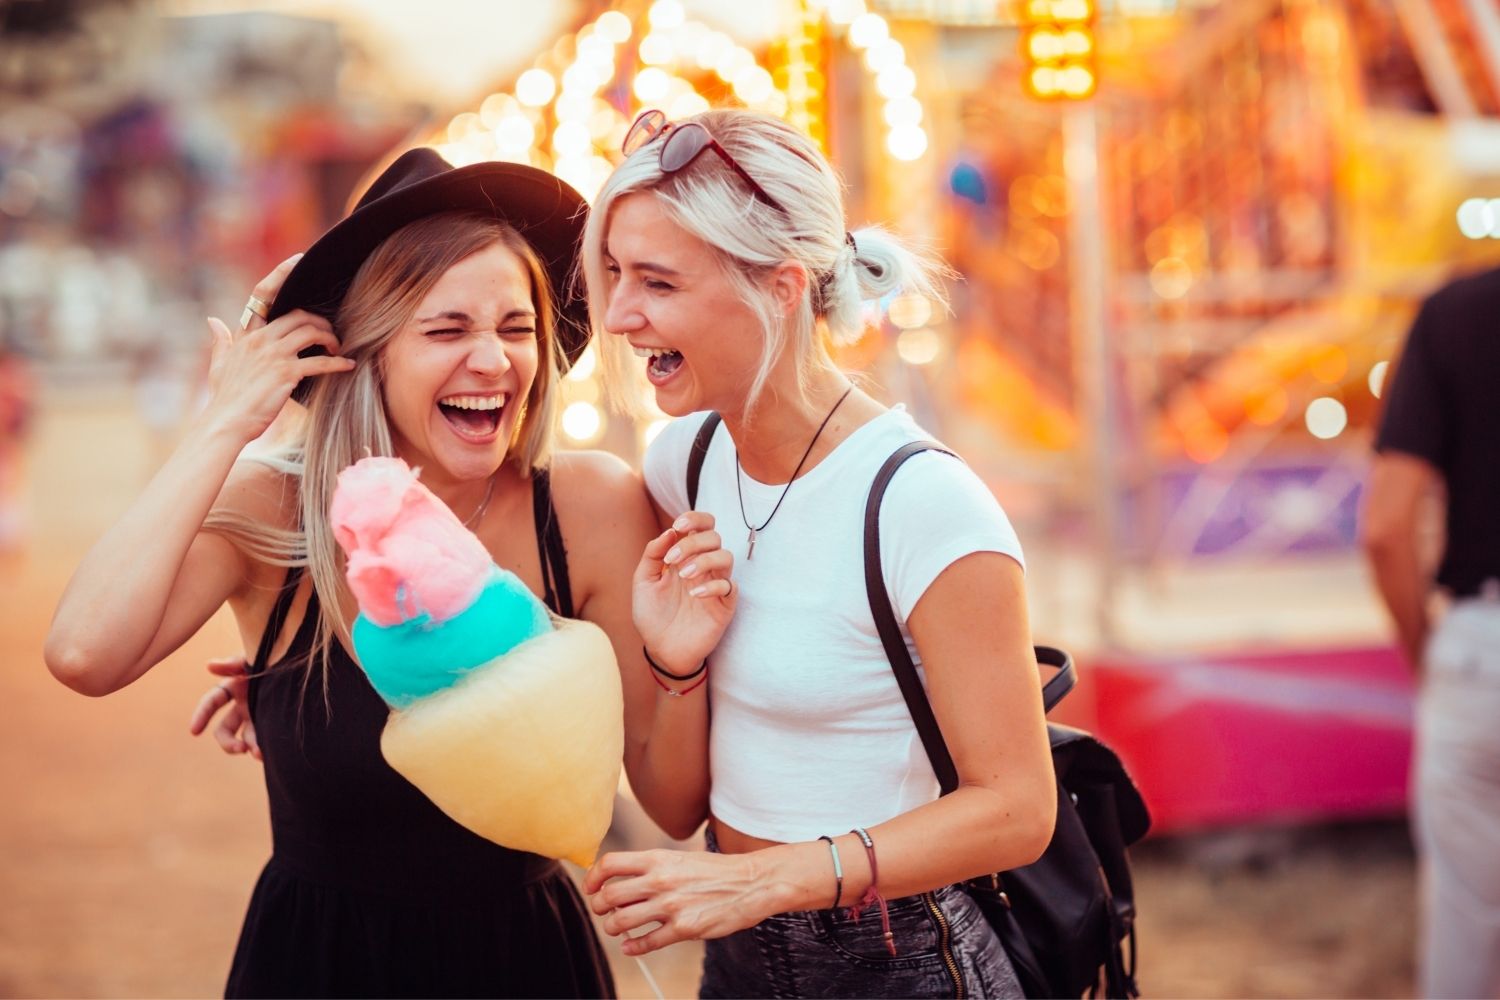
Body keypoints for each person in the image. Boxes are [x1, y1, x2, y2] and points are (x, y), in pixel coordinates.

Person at [45, 149, 729, 998]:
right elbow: (83, 654)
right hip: (320, 966)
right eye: (446, 330)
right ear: (368, 351)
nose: (492, 361)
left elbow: (672, 805)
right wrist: (224, 424)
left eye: (516, 329)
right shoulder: (275, 515)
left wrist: (678, 664)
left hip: (526, 966)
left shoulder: (584, 507)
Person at [577, 108, 1057, 998]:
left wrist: (766, 880)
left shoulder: (922, 503)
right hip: (739, 956)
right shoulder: (683, 463)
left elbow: (1018, 811)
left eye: (656, 281)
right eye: (612, 273)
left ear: (782, 286)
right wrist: (674, 666)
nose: (617, 315)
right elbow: (677, 807)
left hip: (906, 963)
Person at [1363, 267, 1500, 1000]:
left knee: (1465, 931)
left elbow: (1387, 528)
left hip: (1482, 648)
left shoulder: (1457, 311)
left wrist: (1429, 654)